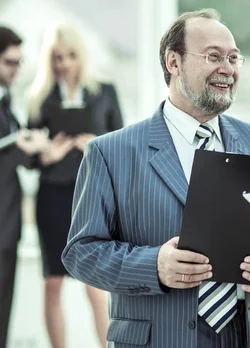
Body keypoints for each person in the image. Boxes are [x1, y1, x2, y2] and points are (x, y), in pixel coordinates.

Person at [62, 9, 250, 348]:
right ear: (173, 62)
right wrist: (153, 266)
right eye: (213, 56)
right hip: (158, 338)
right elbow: (81, 253)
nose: (228, 69)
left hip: (248, 337)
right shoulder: (110, 152)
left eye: (234, 58)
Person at [26, 22, 123, 348]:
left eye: (69, 56)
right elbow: (31, 155)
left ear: (80, 55)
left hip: (91, 195)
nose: (63, 63)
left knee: (95, 284)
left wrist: (96, 144)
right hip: (52, 195)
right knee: (52, 282)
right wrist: (46, 156)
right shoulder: (39, 98)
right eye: (56, 57)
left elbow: (122, 146)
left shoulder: (105, 93)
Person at [0, 26, 48, 348]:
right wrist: (20, 145)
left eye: (19, 62)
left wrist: (43, 152)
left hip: (8, 226)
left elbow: (18, 156)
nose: (16, 69)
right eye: (9, 62)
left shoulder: (7, 102)